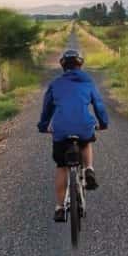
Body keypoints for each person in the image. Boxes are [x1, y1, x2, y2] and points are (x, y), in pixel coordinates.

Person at [38, 48, 109, 222]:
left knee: (62, 167)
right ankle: (89, 169)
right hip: (84, 126)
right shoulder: (88, 82)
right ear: (80, 64)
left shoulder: (55, 84)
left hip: (61, 129)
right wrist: (103, 123)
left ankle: (60, 208)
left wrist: (43, 126)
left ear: (63, 65)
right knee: (86, 142)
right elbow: (99, 105)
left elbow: (47, 108)